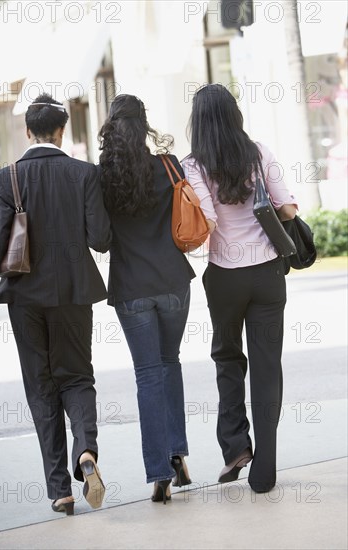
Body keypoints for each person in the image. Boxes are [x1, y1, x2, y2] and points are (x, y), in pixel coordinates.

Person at [0, 94, 111, 514]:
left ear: (27, 132)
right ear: (63, 131)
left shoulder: (6, 179)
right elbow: (101, 240)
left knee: (41, 386)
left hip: (24, 297)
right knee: (76, 377)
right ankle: (86, 450)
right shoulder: (84, 173)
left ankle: (60, 489)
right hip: (75, 293)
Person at [182, 84, 297, 494]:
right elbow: (287, 208)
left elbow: (206, 222)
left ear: (199, 121)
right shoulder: (259, 151)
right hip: (268, 273)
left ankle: (235, 447)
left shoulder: (192, 165)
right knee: (268, 369)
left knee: (228, 358)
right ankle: (264, 470)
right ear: (234, 115)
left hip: (225, 276)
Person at [98, 94, 196, 504]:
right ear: (144, 126)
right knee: (169, 363)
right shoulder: (169, 165)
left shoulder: (100, 177)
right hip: (174, 282)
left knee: (148, 374)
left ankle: (159, 471)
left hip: (132, 289)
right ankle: (178, 454)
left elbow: (100, 240)